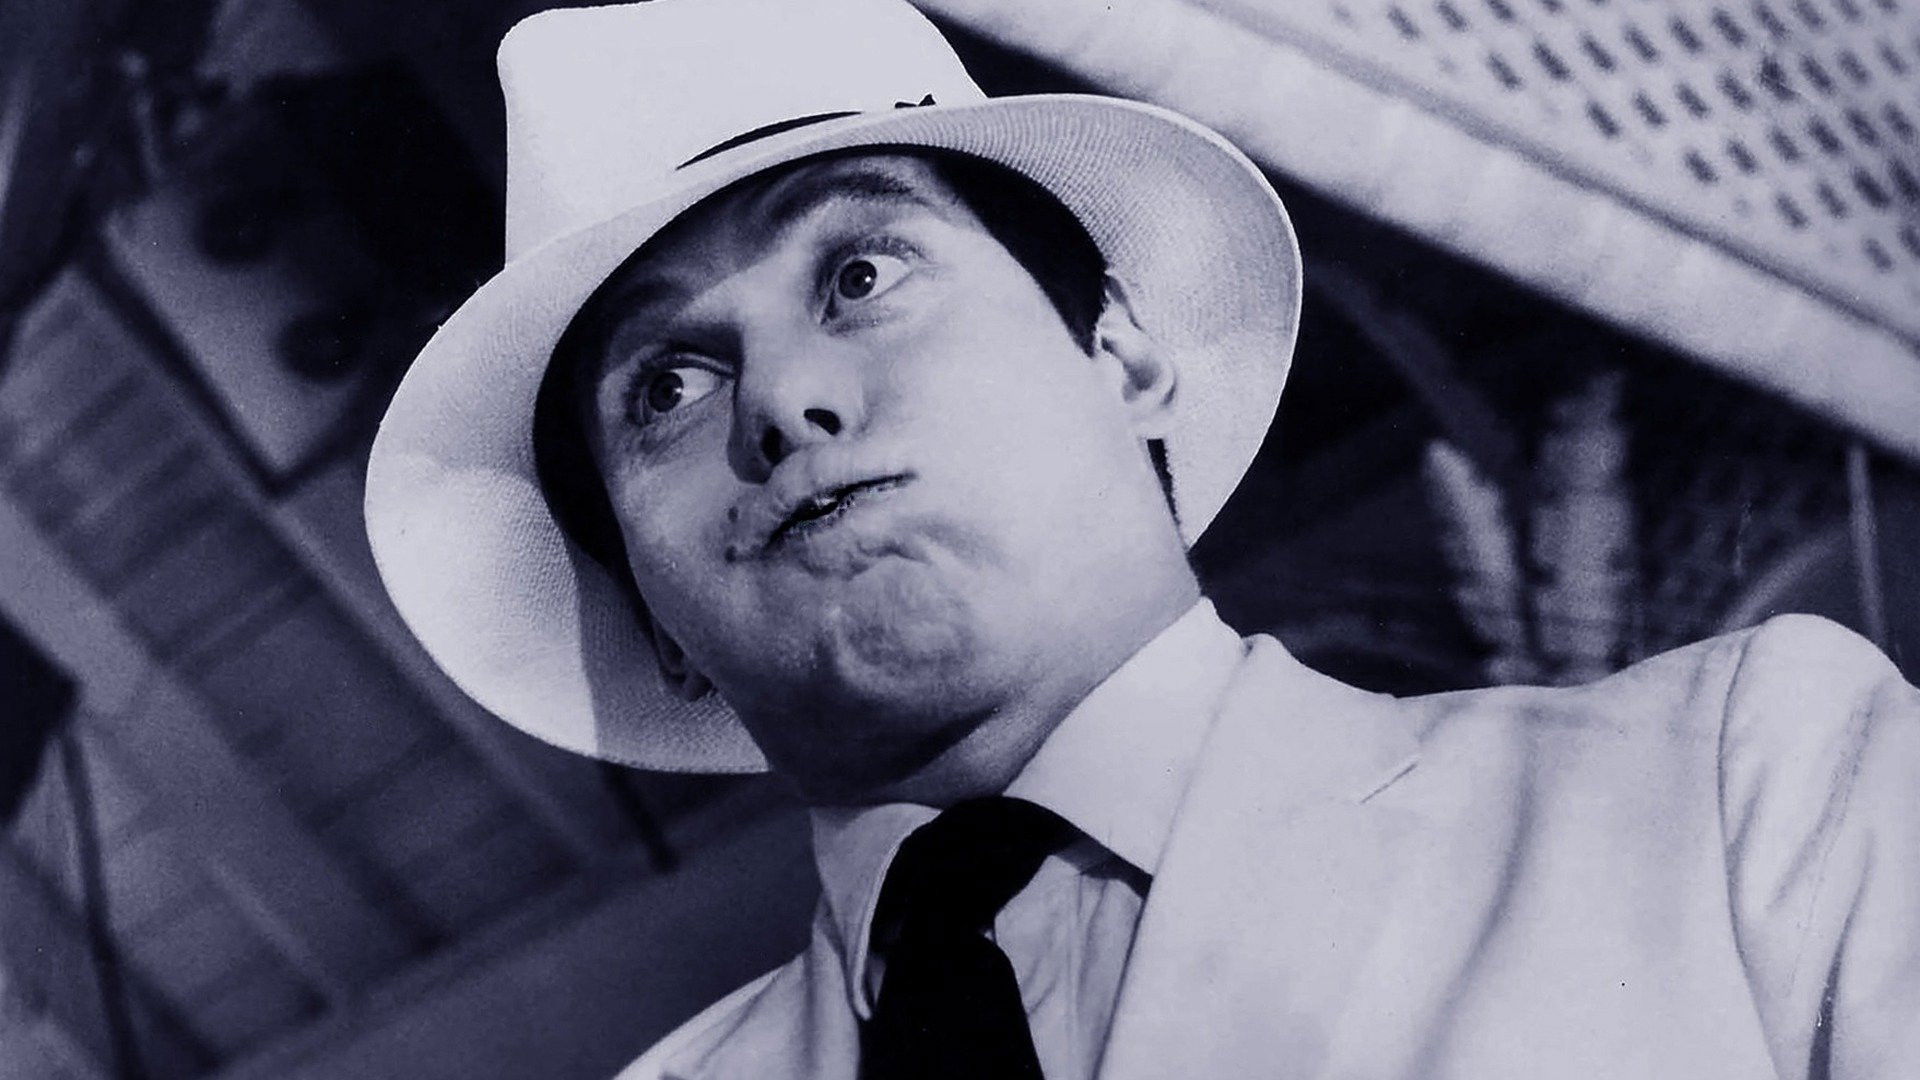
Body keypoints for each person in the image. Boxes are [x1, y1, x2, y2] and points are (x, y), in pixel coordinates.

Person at [362, 0, 1920, 1077]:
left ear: (1125, 359)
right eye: (667, 387)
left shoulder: (1748, 784)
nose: (780, 403)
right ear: (653, 622)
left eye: (860, 276)